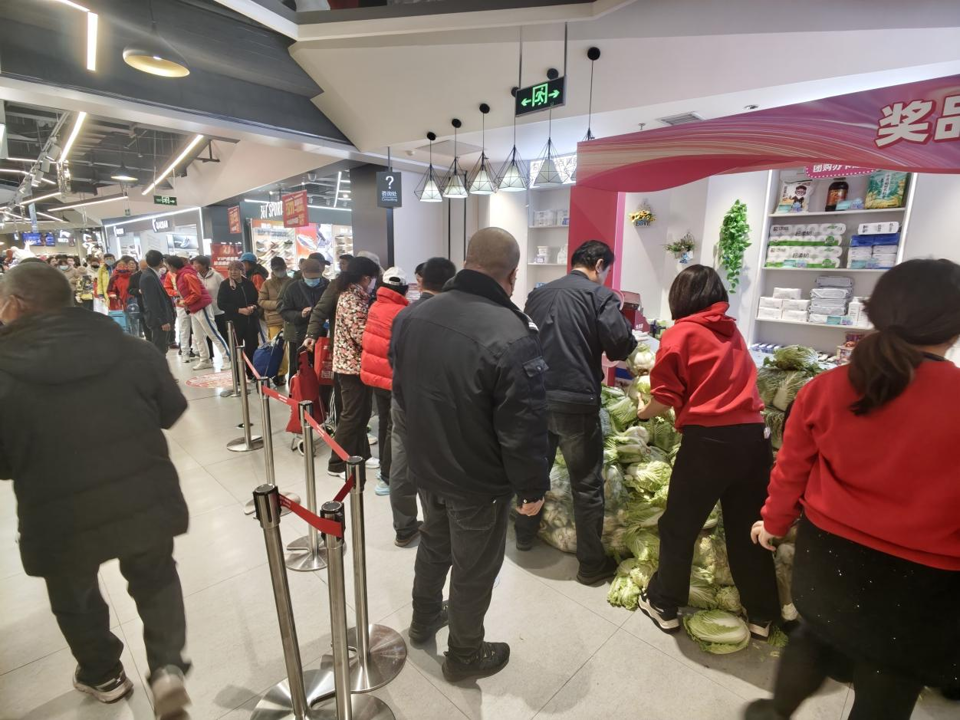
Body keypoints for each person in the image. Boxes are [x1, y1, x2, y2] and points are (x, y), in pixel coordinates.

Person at [746, 259, 960, 720]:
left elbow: (790, 471)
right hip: (922, 579)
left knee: (815, 638)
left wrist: (773, 524)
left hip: (829, 558)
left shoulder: (826, 388)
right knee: (892, 675)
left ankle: (773, 713)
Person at [0, 262, 191, 716]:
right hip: (142, 494)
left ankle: (102, 673)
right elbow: (171, 410)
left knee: (73, 592)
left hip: (57, 511)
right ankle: (167, 667)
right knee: (155, 577)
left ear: (12, 305)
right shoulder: (134, 349)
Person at [393, 229, 549, 681]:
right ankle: (464, 655)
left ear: (467, 261)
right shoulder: (512, 333)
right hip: (477, 479)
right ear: (512, 276)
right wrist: (532, 486)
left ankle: (424, 618)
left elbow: (401, 393)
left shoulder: (414, 314)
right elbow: (522, 426)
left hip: (427, 463)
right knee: (475, 567)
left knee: (434, 544)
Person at [635, 264, 779, 637]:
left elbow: (665, 398)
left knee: (679, 526)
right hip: (754, 438)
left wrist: (642, 412)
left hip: (710, 443)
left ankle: (663, 603)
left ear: (679, 297)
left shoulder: (680, 333)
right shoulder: (733, 332)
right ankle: (762, 615)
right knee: (748, 529)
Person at [515, 240, 637, 583]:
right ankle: (590, 565)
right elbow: (620, 345)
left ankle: (524, 535)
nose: (605, 276)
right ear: (598, 265)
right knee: (586, 484)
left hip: (536, 396)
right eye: (606, 270)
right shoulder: (600, 296)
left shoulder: (538, 294)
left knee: (535, 472)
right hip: (576, 401)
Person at [387, 256, 456, 547]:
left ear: (421, 281)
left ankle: (404, 528)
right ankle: (435, 528)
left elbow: (392, 357)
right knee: (434, 464)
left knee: (401, 460)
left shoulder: (404, 314)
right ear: (451, 282)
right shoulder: (451, 316)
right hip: (435, 403)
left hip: (402, 399)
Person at [324, 255, 379, 477]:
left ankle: (361, 455)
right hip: (350, 367)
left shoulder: (357, 296)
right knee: (352, 416)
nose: (374, 283)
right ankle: (337, 463)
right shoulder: (351, 300)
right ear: (365, 278)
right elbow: (361, 335)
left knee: (362, 414)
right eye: (373, 278)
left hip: (357, 365)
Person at [360, 266, 410, 497]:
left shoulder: (375, 306)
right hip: (391, 376)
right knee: (393, 427)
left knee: (383, 423)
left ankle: (384, 468)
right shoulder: (402, 312)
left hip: (374, 374)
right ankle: (388, 476)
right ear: (404, 288)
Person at [164, 255, 230, 371]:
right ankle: (205, 360)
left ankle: (227, 359)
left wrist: (184, 302)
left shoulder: (186, 274)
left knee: (213, 333)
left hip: (201, 307)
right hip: (194, 308)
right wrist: (185, 302)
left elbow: (196, 293)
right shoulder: (182, 274)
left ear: (172, 266)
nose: (167, 268)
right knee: (199, 336)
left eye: (168, 266)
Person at [278, 258, 328, 383]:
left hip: (324, 334)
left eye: (316, 277)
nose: (313, 280)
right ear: (303, 273)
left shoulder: (328, 286)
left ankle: (322, 394)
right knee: (299, 368)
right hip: (299, 335)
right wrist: (300, 314)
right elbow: (284, 311)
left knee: (323, 369)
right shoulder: (292, 288)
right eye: (310, 278)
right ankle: (298, 393)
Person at [217, 260, 261, 379]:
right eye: (230, 270)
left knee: (252, 347)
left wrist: (252, 307)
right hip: (234, 322)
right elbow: (221, 304)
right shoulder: (225, 285)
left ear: (242, 271)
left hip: (250, 321)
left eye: (236, 269)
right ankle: (238, 377)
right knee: (236, 349)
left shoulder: (248, 283)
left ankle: (251, 373)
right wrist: (239, 310)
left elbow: (256, 299)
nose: (233, 272)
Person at [259, 256, 293, 385]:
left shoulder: (292, 281)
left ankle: (293, 372)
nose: (280, 271)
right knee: (278, 348)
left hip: (291, 318)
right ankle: (280, 373)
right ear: (272, 269)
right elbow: (261, 301)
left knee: (293, 348)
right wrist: (278, 304)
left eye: (282, 268)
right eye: (277, 269)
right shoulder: (267, 284)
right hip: (274, 319)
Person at [140, 250, 176, 356]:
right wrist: (162, 321)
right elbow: (152, 302)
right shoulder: (148, 277)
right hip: (158, 320)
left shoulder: (152, 274)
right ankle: (157, 366)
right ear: (161, 262)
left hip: (160, 317)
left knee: (162, 346)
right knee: (159, 348)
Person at [192, 255, 226, 360]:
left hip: (218, 311)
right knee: (206, 335)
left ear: (204, 265)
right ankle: (209, 357)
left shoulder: (217, 276)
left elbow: (224, 290)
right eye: (193, 264)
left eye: (197, 264)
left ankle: (228, 356)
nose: (194, 266)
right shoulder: (195, 277)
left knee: (221, 334)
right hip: (204, 311)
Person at [127, 259, 149, 340]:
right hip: (142, 304)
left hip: (154, 304)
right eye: (143, 268)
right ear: (139, 267)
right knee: (145, 325)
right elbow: (130, 290)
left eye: (146, 268)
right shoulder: (134, 277)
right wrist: (138, 291)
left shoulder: (153, 274)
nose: (145, 270)